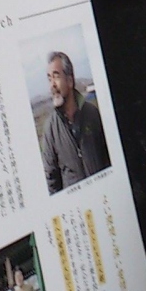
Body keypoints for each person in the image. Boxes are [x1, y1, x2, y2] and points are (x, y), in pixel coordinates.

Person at [41, 52, 110, 193]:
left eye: (56, 76)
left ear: (70, 81)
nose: (52, 85)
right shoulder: (50, 130)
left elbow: (108, 156)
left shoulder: (92, 114)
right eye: (49, 79)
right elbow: (51, 179)